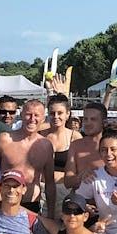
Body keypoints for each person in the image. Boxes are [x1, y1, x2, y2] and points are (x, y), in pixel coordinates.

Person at [0, 98, 59, 234]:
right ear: (21, 114)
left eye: (37, 115)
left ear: (43, 117)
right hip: (5, 206)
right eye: (28, 114)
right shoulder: (6, 139)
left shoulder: (45, 145)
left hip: (32, 206)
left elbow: (50, 182)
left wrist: (51, 215)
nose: (32, 119)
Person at [39, 93, 81, 222]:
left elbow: (79, 169)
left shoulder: (75, 137)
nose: (56, 117)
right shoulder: (40, 135)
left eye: (60, 113)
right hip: (41, 190)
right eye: (52, 113)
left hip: (66, 191)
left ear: (67, 114)